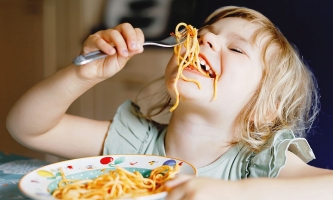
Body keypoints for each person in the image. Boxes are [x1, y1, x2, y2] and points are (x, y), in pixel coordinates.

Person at [6, 5, 333, 199]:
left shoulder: (258, 163)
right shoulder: (136, 144)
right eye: (203, 33)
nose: (205, 38)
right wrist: (84, 75)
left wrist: (239, 193)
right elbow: (29, 130)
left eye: (236, 49)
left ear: (263, 110)